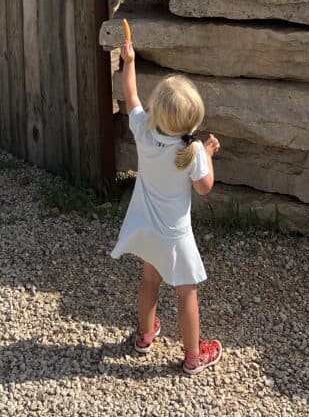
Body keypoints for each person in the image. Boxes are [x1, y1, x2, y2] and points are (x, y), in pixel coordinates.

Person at [110, 32, 222, 375]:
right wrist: (208, 153)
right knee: (186, 292)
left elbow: (130, 96)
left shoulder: (143, 131)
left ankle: (145, 335)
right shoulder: (190, 152)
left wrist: (129, 61)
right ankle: (193, 356)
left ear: (158, 111)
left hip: (146, 226)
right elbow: (205, 188)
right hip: (175, 235)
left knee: (149, 280)